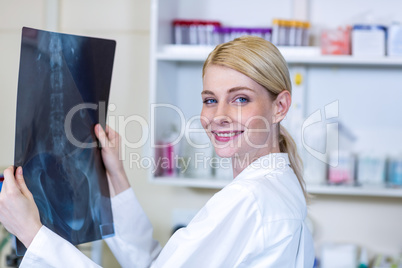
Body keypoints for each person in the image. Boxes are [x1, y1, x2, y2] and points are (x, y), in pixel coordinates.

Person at [0, 36, 314, 267]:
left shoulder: (248, 201)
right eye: (209, 99)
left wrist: (33, 233)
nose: (218, 115)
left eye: (240, 99)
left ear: (280, 106)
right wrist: (114, 180)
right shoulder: (282, 185)